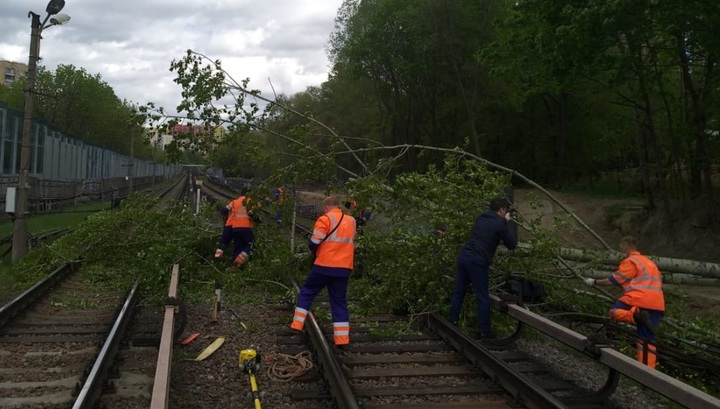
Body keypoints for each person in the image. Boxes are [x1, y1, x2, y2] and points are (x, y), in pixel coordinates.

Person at [584, 236, 664, 368]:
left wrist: (594, 282)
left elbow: (614, 280)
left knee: (613, 312)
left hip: (638, 299)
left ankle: (635, 316)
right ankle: (647, 374)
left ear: (626, 247)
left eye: (621, 248)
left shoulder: (632, 261)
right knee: (647, 340)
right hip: (656, 304)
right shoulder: (650, 263)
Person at [291, 196, 357, 346]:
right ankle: (342, 339)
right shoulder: (351, 221)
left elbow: (314, 242)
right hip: (344, 268)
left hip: (324, 265)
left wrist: (313, 249)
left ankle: (297, 325)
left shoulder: (325, 219)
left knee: (307, 291)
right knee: (339, 301)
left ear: (326, 206)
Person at [450, 197, 518, 339]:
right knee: (482, 296)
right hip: (477, 260)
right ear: (502, 210)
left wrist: (503, 221)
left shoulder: (481, 217)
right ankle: (485, 331)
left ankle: (452, 322)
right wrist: (508, 222)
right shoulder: (500, 223)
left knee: (458, 293)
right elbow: (512, 244)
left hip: (464, 256)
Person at [214, 189, 255, 268]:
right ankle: (238, 263)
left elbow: (224, 210)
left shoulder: (234, 202)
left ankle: (218, 255)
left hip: (232, 226)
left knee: (228, 242)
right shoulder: (250, 201)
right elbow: (251, 213)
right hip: (243, 226)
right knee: (250, 244)